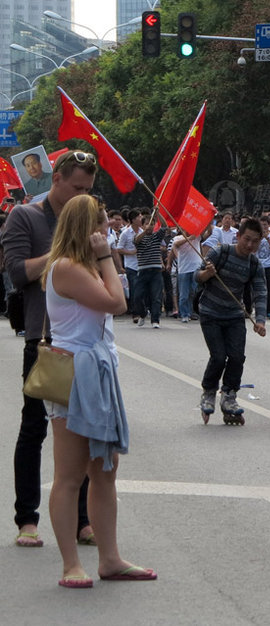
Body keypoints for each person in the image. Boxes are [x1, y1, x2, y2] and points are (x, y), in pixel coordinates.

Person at [41, 194, 156, 588]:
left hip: (97, 371)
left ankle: (110, 559)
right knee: (71, 474)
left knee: (105, 470)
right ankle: (71, 564)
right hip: (73, 373)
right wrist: (107, 257)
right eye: (102, 223)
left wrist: (103, 259)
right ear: (86, 228)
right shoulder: (69, 267)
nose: (107, 229)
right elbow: (117, 303)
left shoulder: (83, 266)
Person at [2, 150, 98, 550]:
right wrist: (63, 251)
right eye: (77, 188)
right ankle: (27, 518)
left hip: (85, 341)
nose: (83, 196)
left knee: (85, 431)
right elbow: (17, 272)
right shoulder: (25, 216)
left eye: (89, 191)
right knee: (34, 428)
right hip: (43, 340)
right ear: (55, 178)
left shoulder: (89, 219)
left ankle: (82, 519)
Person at [195, 217, 267, 424]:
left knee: (236, 357)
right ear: (238, 236)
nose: (250, 245)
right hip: (210, 313)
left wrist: (260, 320)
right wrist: (207, 274)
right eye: (246, 239)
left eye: (255, 241)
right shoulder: (221, 252)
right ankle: (209, 391)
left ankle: (229, 395)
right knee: (218, 357)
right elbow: (196, 276)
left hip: (235, 316)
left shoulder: (254, 264)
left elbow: (261, 292)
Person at [132, 212, 167, 329]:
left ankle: (155, 320)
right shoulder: (138, 237)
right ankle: (142, 314)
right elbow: (136, 241)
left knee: (156, 296)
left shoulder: (157, 237)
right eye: (147, 224)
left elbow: (164, 226)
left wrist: (158, 214)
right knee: (137, 296)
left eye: (152, 224)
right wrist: (144, 232)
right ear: (142, 226)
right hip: (142, 272)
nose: (150, 226)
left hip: (156, 271)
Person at [169, 230, 203, 323]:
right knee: (184, 294)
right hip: (184, 269)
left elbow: (207, 232)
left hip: (195, 268)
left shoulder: (197, 236)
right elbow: (175, 245)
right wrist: (188, 238)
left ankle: (190, 311)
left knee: (193, 292)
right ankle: (184, 314)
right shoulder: (178, 238)